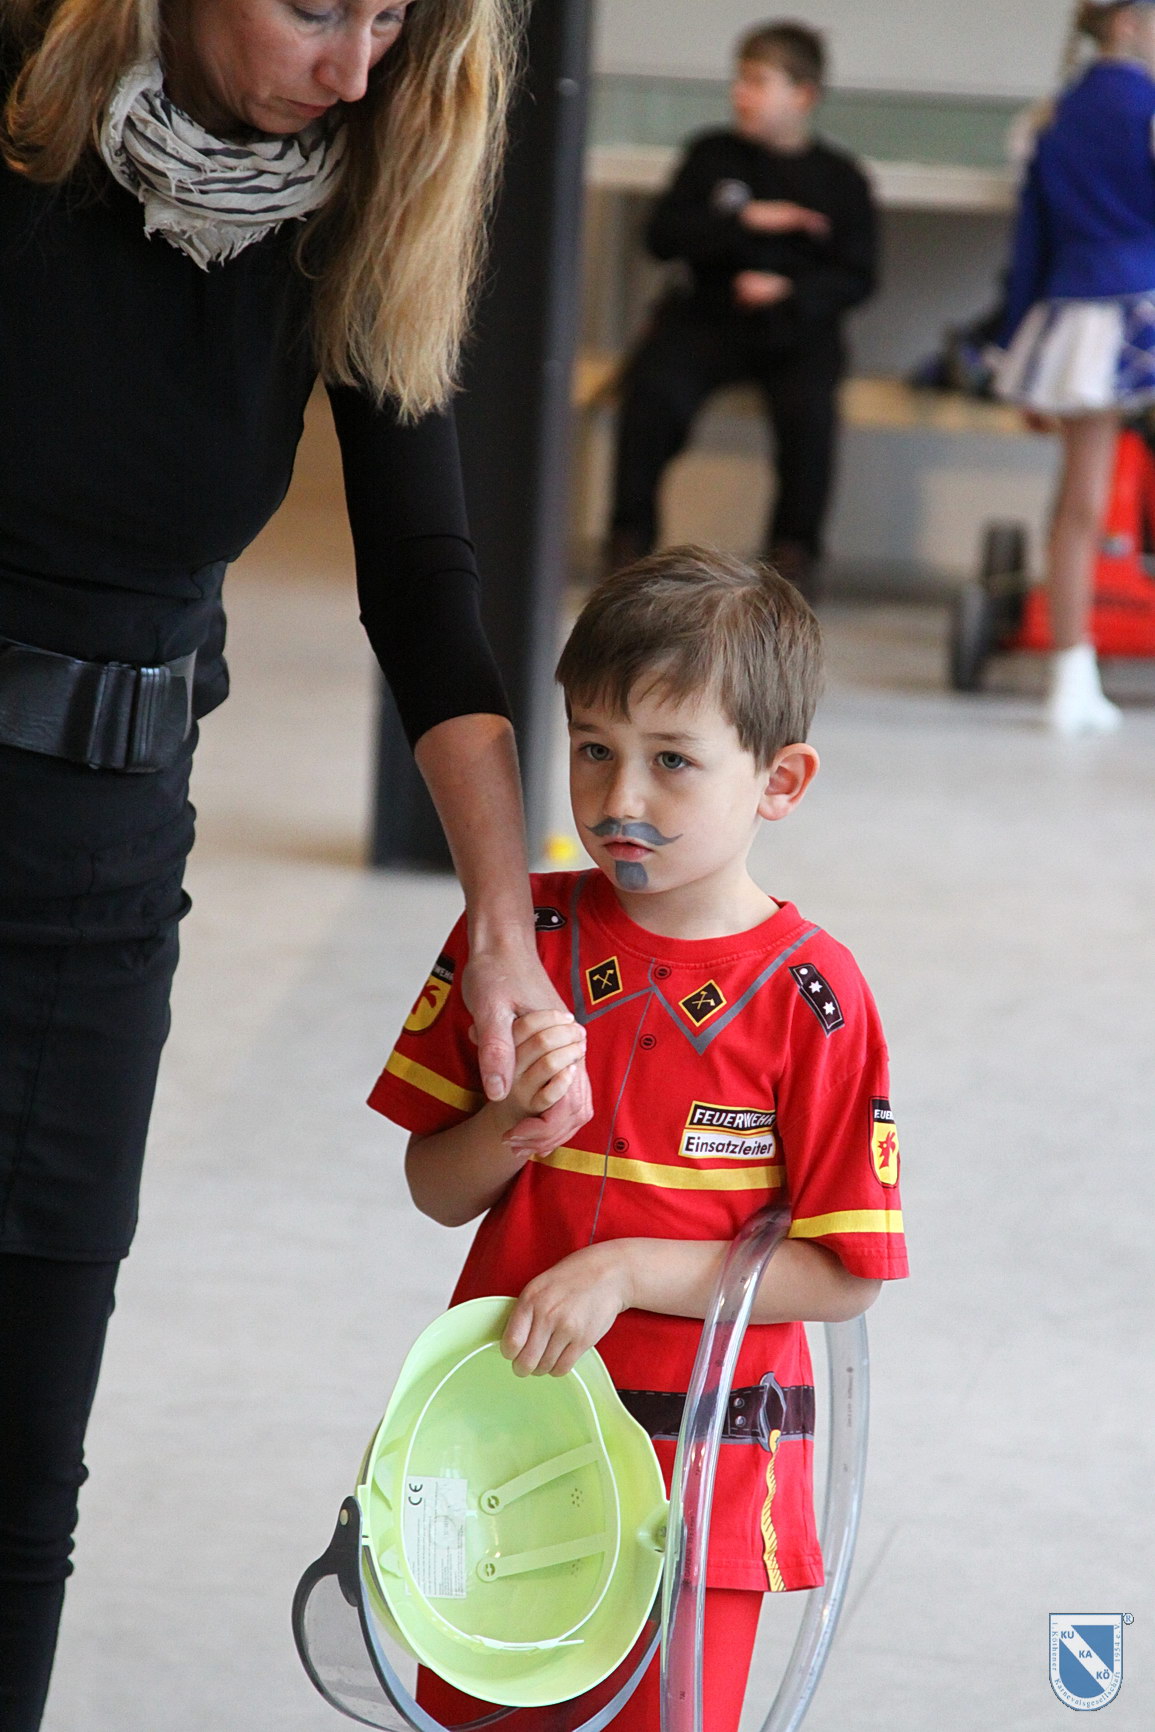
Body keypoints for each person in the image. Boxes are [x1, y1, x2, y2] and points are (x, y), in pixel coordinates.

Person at [0, 0, 593, 1724]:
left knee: (24, 1446)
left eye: (393, 17)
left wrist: (503, 924)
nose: (354, 69)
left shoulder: (357, 190)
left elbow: (423, 579)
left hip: (99, 871)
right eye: (317, 8)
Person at [370, 547, 908, 1732]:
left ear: (780, 779)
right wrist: (510, 1127)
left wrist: (625, 1270)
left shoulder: (813, 999)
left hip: (703, 1487)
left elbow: (845, 1274)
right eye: (592, 747)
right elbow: (434, 1187)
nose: (620, 797)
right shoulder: (518, 941)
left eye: (672, 760)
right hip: (504, 1456)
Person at [606, 22, 877, 602]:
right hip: (708, 319)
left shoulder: (841, 179)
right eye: (739, 79)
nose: (740, 93)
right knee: (652, 390)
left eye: (757, 81)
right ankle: (629, 544)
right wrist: (743, 221)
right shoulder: (711, 156)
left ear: (802, 95)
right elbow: (661, 238)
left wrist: (789, 291)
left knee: (810, 414)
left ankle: (792, 559)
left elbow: (858, 277)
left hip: (796, 331)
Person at [994, 0, 1155, 733]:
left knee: (1079, 502)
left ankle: (1071, 670)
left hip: (1074, 314)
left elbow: (1029, 245)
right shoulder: (1144, 110)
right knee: (1089, 501)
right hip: (1138, 307)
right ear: (1127, 23)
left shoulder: (1050, 118)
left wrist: (1014, 350)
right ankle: (1073, 677)